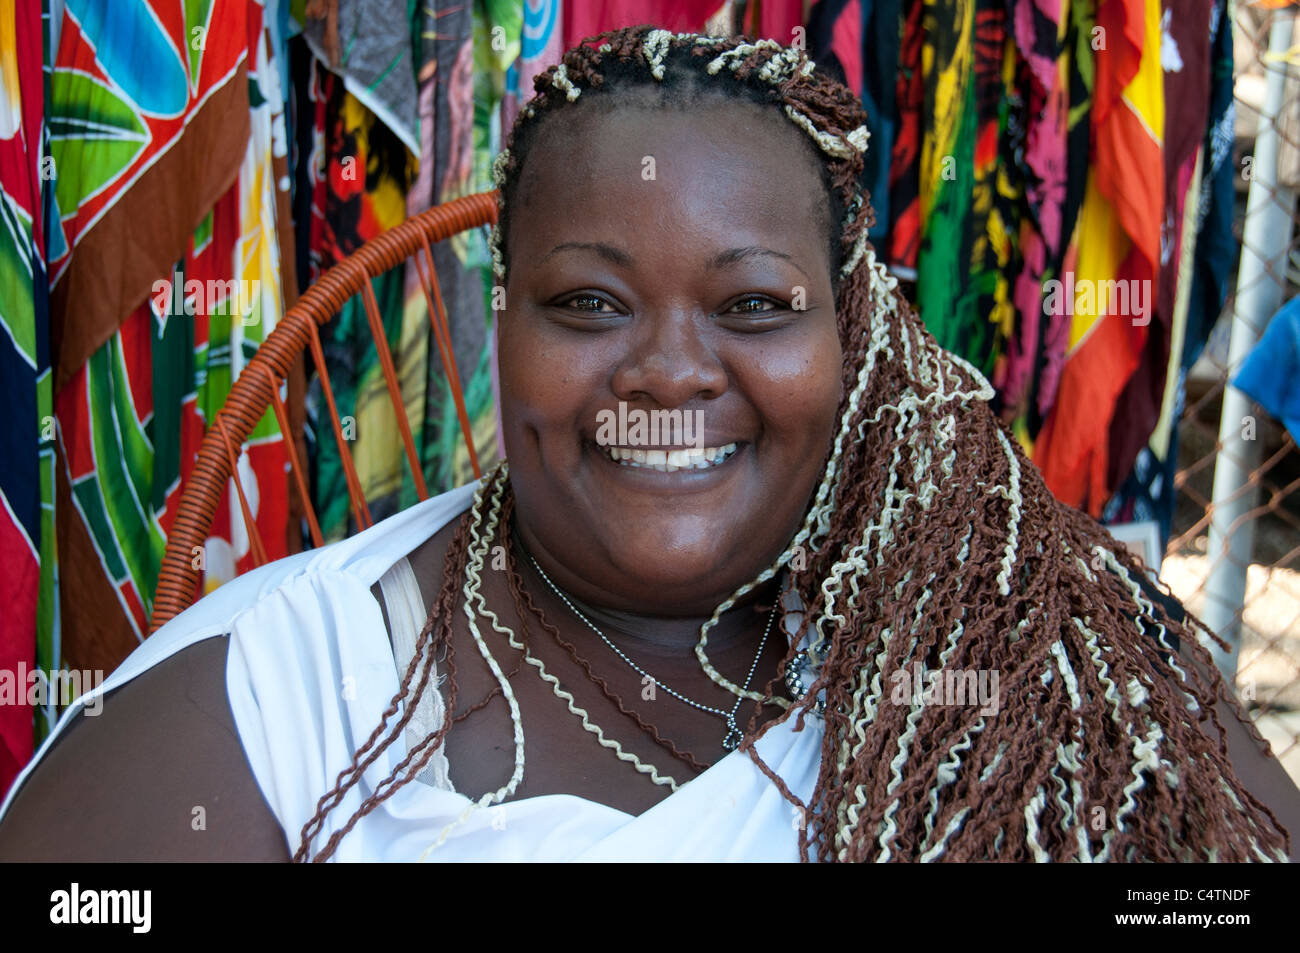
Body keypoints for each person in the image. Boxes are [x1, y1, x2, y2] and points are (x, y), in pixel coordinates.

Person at [1, 25, 1297, 863]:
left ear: (855, 331)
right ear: (499, 321)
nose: (672, 368)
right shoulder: (280, 697)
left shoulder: (1044, 637)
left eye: (751, 307)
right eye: (590, 304)